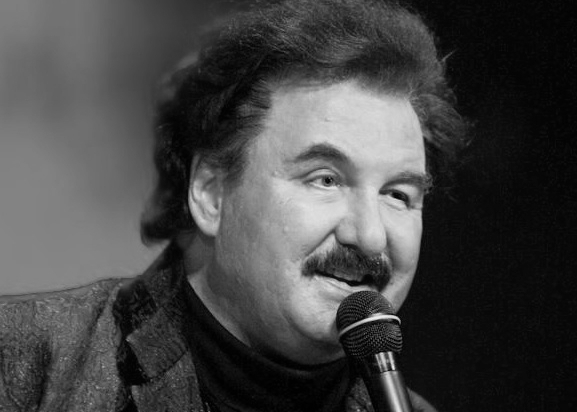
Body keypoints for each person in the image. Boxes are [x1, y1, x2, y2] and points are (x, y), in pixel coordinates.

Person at [0, 0, 466, 410]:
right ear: (210, 193)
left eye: (398, 195)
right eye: (325, 180)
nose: (369, 235)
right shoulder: (27, 363)